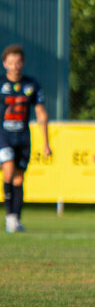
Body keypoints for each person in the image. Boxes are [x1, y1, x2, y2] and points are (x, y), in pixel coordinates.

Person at [1, 44, 50, 233]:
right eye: (11, 62)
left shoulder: (31, 85)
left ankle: (16, 217)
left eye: (18, 62)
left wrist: (46, 143)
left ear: (23, 63)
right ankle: (9, 216)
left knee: (19, 179)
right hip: (2, 136)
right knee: (8, 170)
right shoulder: (0, 84)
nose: (15, 66)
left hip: (22, 137)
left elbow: (41, 114)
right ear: (5, 64)